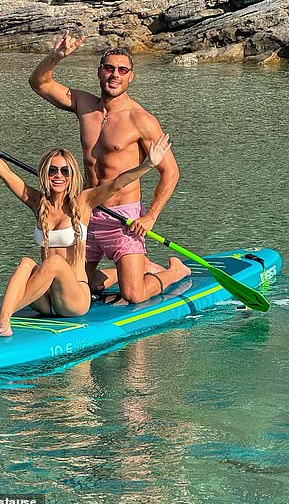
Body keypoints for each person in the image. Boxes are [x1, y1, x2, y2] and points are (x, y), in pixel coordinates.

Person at [0, 108, 173, 337]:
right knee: (25, 263)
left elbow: (116, 184)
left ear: (72, 175)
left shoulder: (83, 202)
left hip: (73, 301)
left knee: (53, 262)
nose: (58, 175)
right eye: (52, 170)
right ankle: (2, 317)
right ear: (45, 174)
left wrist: (147, 165)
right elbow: (6, 173)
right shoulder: (38, 203)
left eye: (64, 171)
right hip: (44, 300)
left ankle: (0, 319)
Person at [28, 32, 191, 303]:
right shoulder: (84, 104)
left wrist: (150, 217)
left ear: (131, 77)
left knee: (134, 294)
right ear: (99, 72)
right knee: (79, 285)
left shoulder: (141, 120)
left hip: (123, 217)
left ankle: (174, 271)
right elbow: (39, 82)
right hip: (86, 212)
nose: (115, 74)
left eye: (122, 70)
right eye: (109, 68)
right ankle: (134, 268)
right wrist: (56, 56)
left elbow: (170, 171)